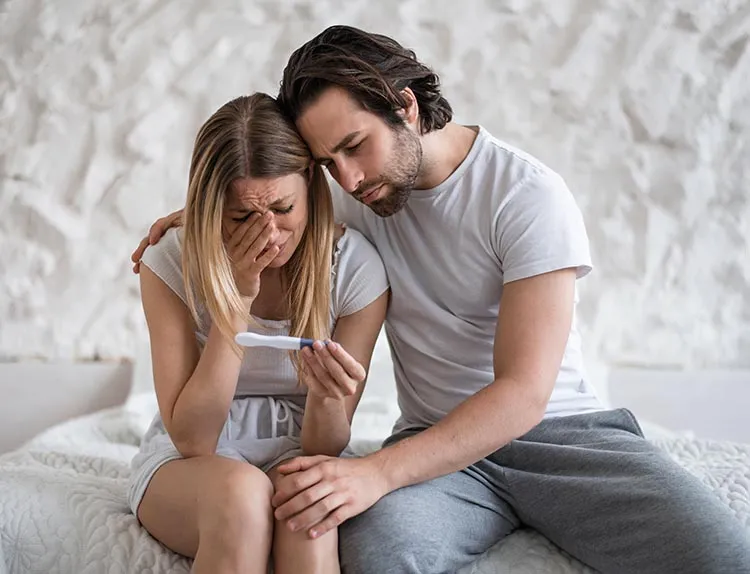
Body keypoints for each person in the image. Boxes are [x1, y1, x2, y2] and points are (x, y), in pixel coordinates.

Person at [131, 26, 750, 574]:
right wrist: (201, 218)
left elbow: (523, 393)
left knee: (724, 556)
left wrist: (375, 473)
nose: (345, 177)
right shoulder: (360, 196)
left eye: (353, 145)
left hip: (559, 437)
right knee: (376, 556)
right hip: (437, 449)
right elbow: (273, 199)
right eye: (327, 162)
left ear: (405, 107)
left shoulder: (526, 196)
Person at [127, 92, 388, 574]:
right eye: (241, 218)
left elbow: (322, 449)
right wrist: (236, 304)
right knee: (242, 496)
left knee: (307, 510)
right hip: (190, 465)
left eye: (284, 209)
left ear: (310, 183)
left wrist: (329, 398)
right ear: (209, 208)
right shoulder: (169, 262)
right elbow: (194, 441)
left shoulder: (355, 270)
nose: (268, 235)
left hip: (299, 448)